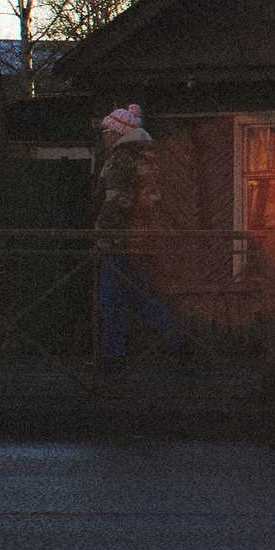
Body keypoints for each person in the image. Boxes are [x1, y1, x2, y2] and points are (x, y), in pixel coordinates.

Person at [94, 104, 181, 372]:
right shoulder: (146, 158)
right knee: (136, 296)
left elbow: (117, 202)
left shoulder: (122, 160)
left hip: (122, 241)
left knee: (110, 297)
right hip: (144, 240)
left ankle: (113, 356)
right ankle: (178, 338)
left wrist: (101, 235)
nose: (103, 137)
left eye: (106, 132)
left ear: (117, 133)